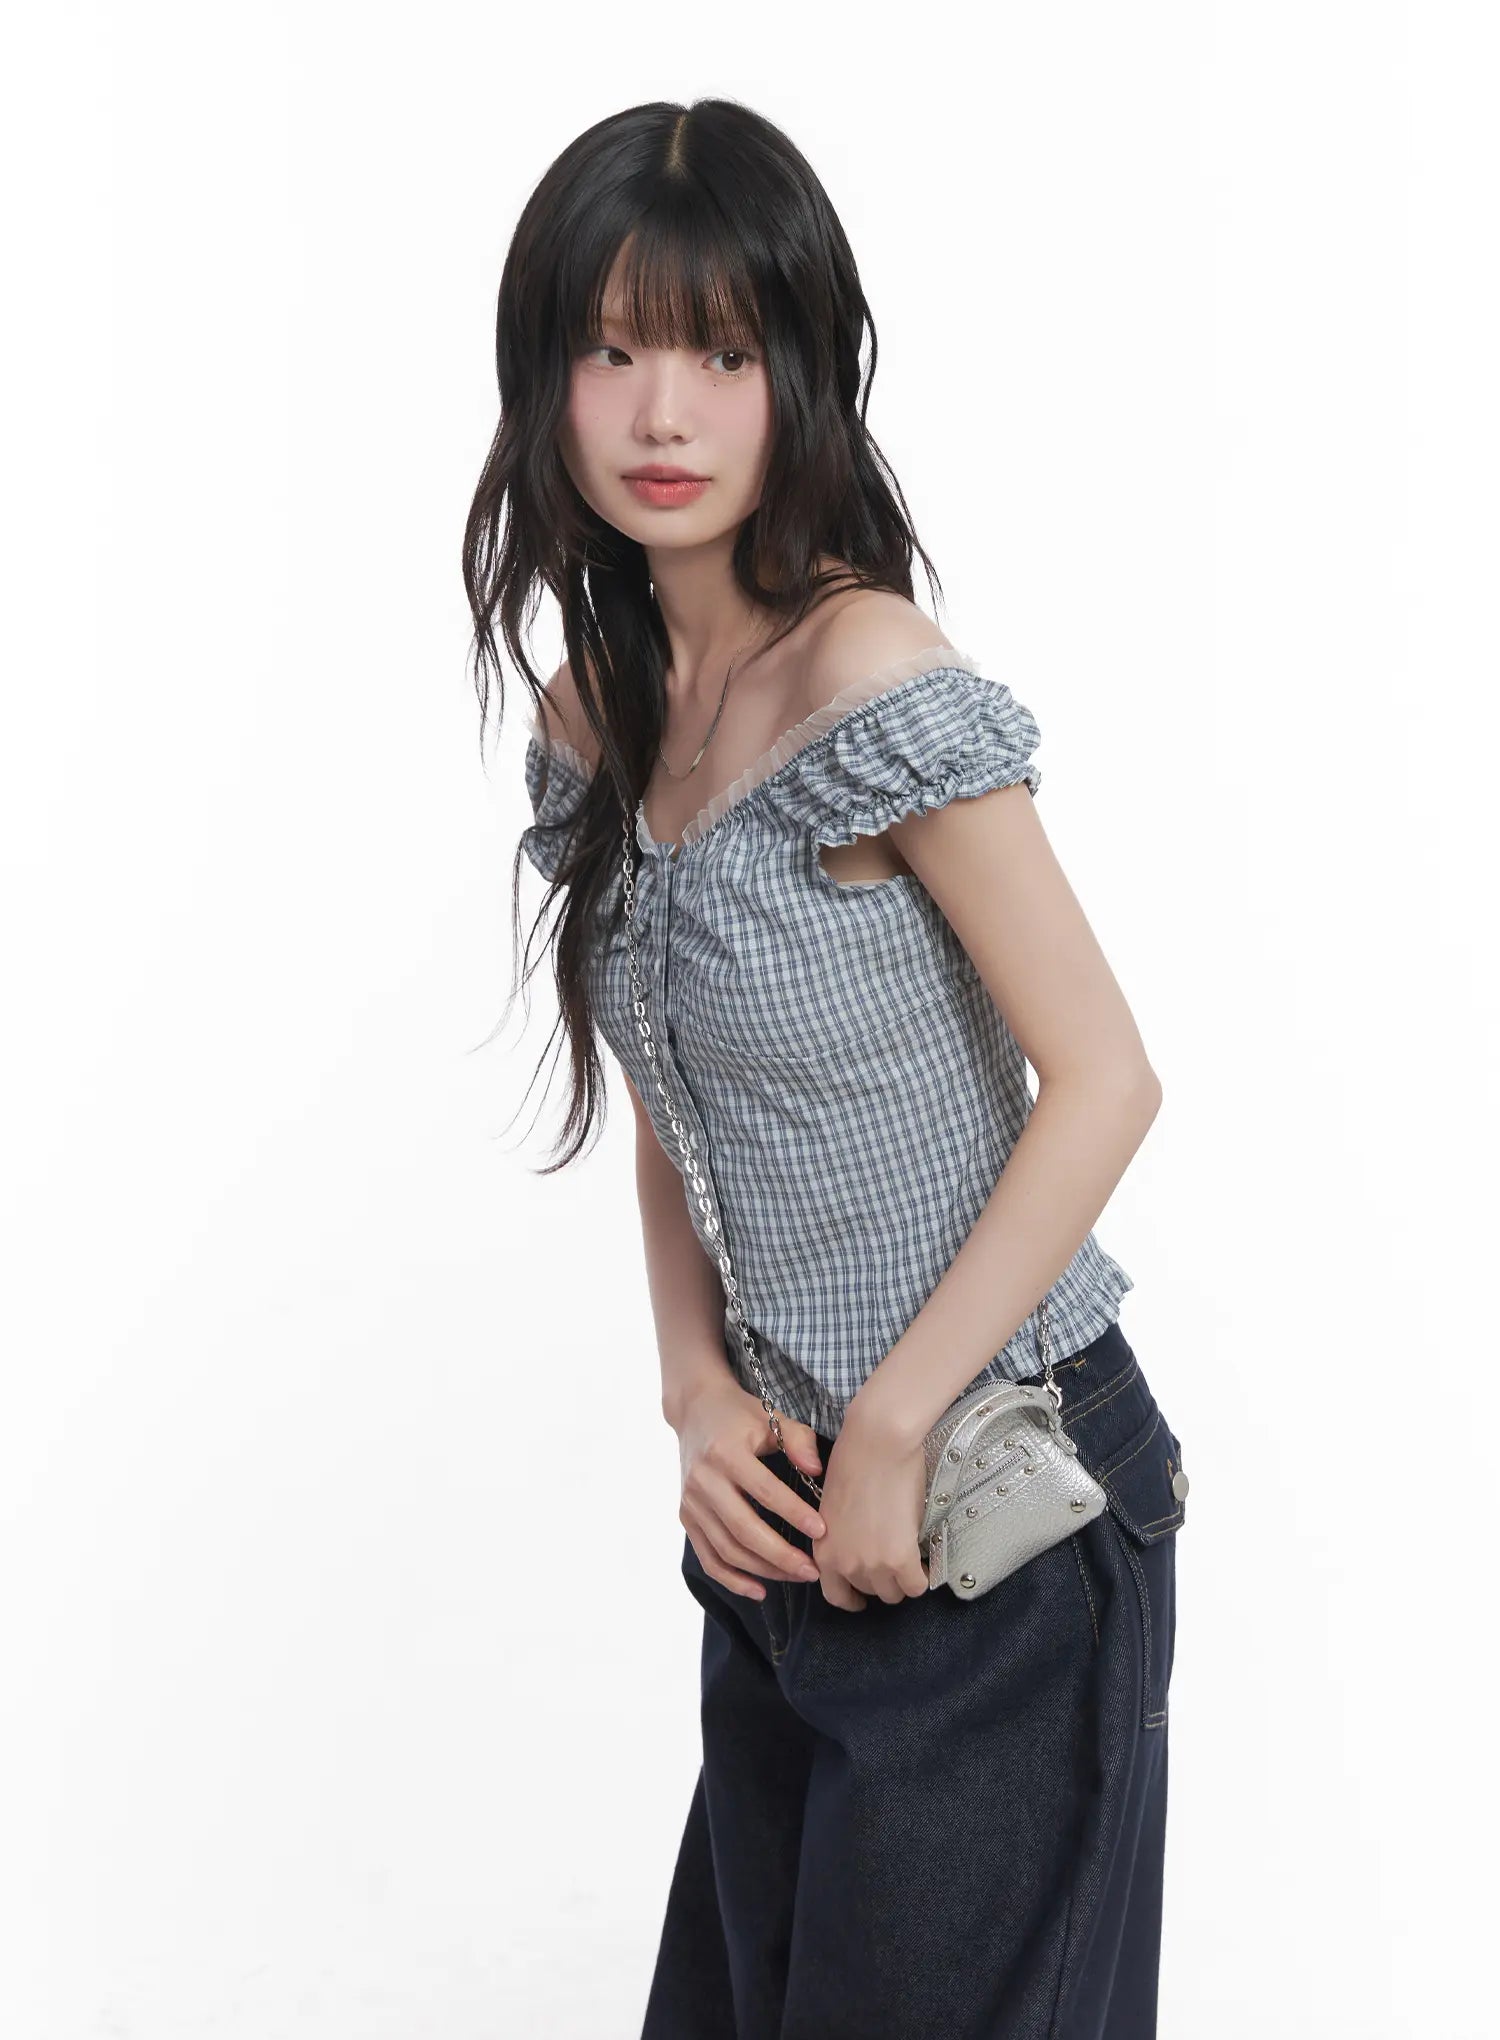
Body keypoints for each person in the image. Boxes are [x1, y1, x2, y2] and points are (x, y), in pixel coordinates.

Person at [465, 96, 1189, 2040]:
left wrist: (894, 1422)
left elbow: (1104, 1076)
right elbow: (675, 1108)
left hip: (1003, 1499)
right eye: (611, 350)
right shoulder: (594, 717)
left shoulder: (870, 677)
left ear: (799, 371)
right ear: (545, 382)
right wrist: (697, 1394)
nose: (663, 412)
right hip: (786, 1532)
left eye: (718, 352)